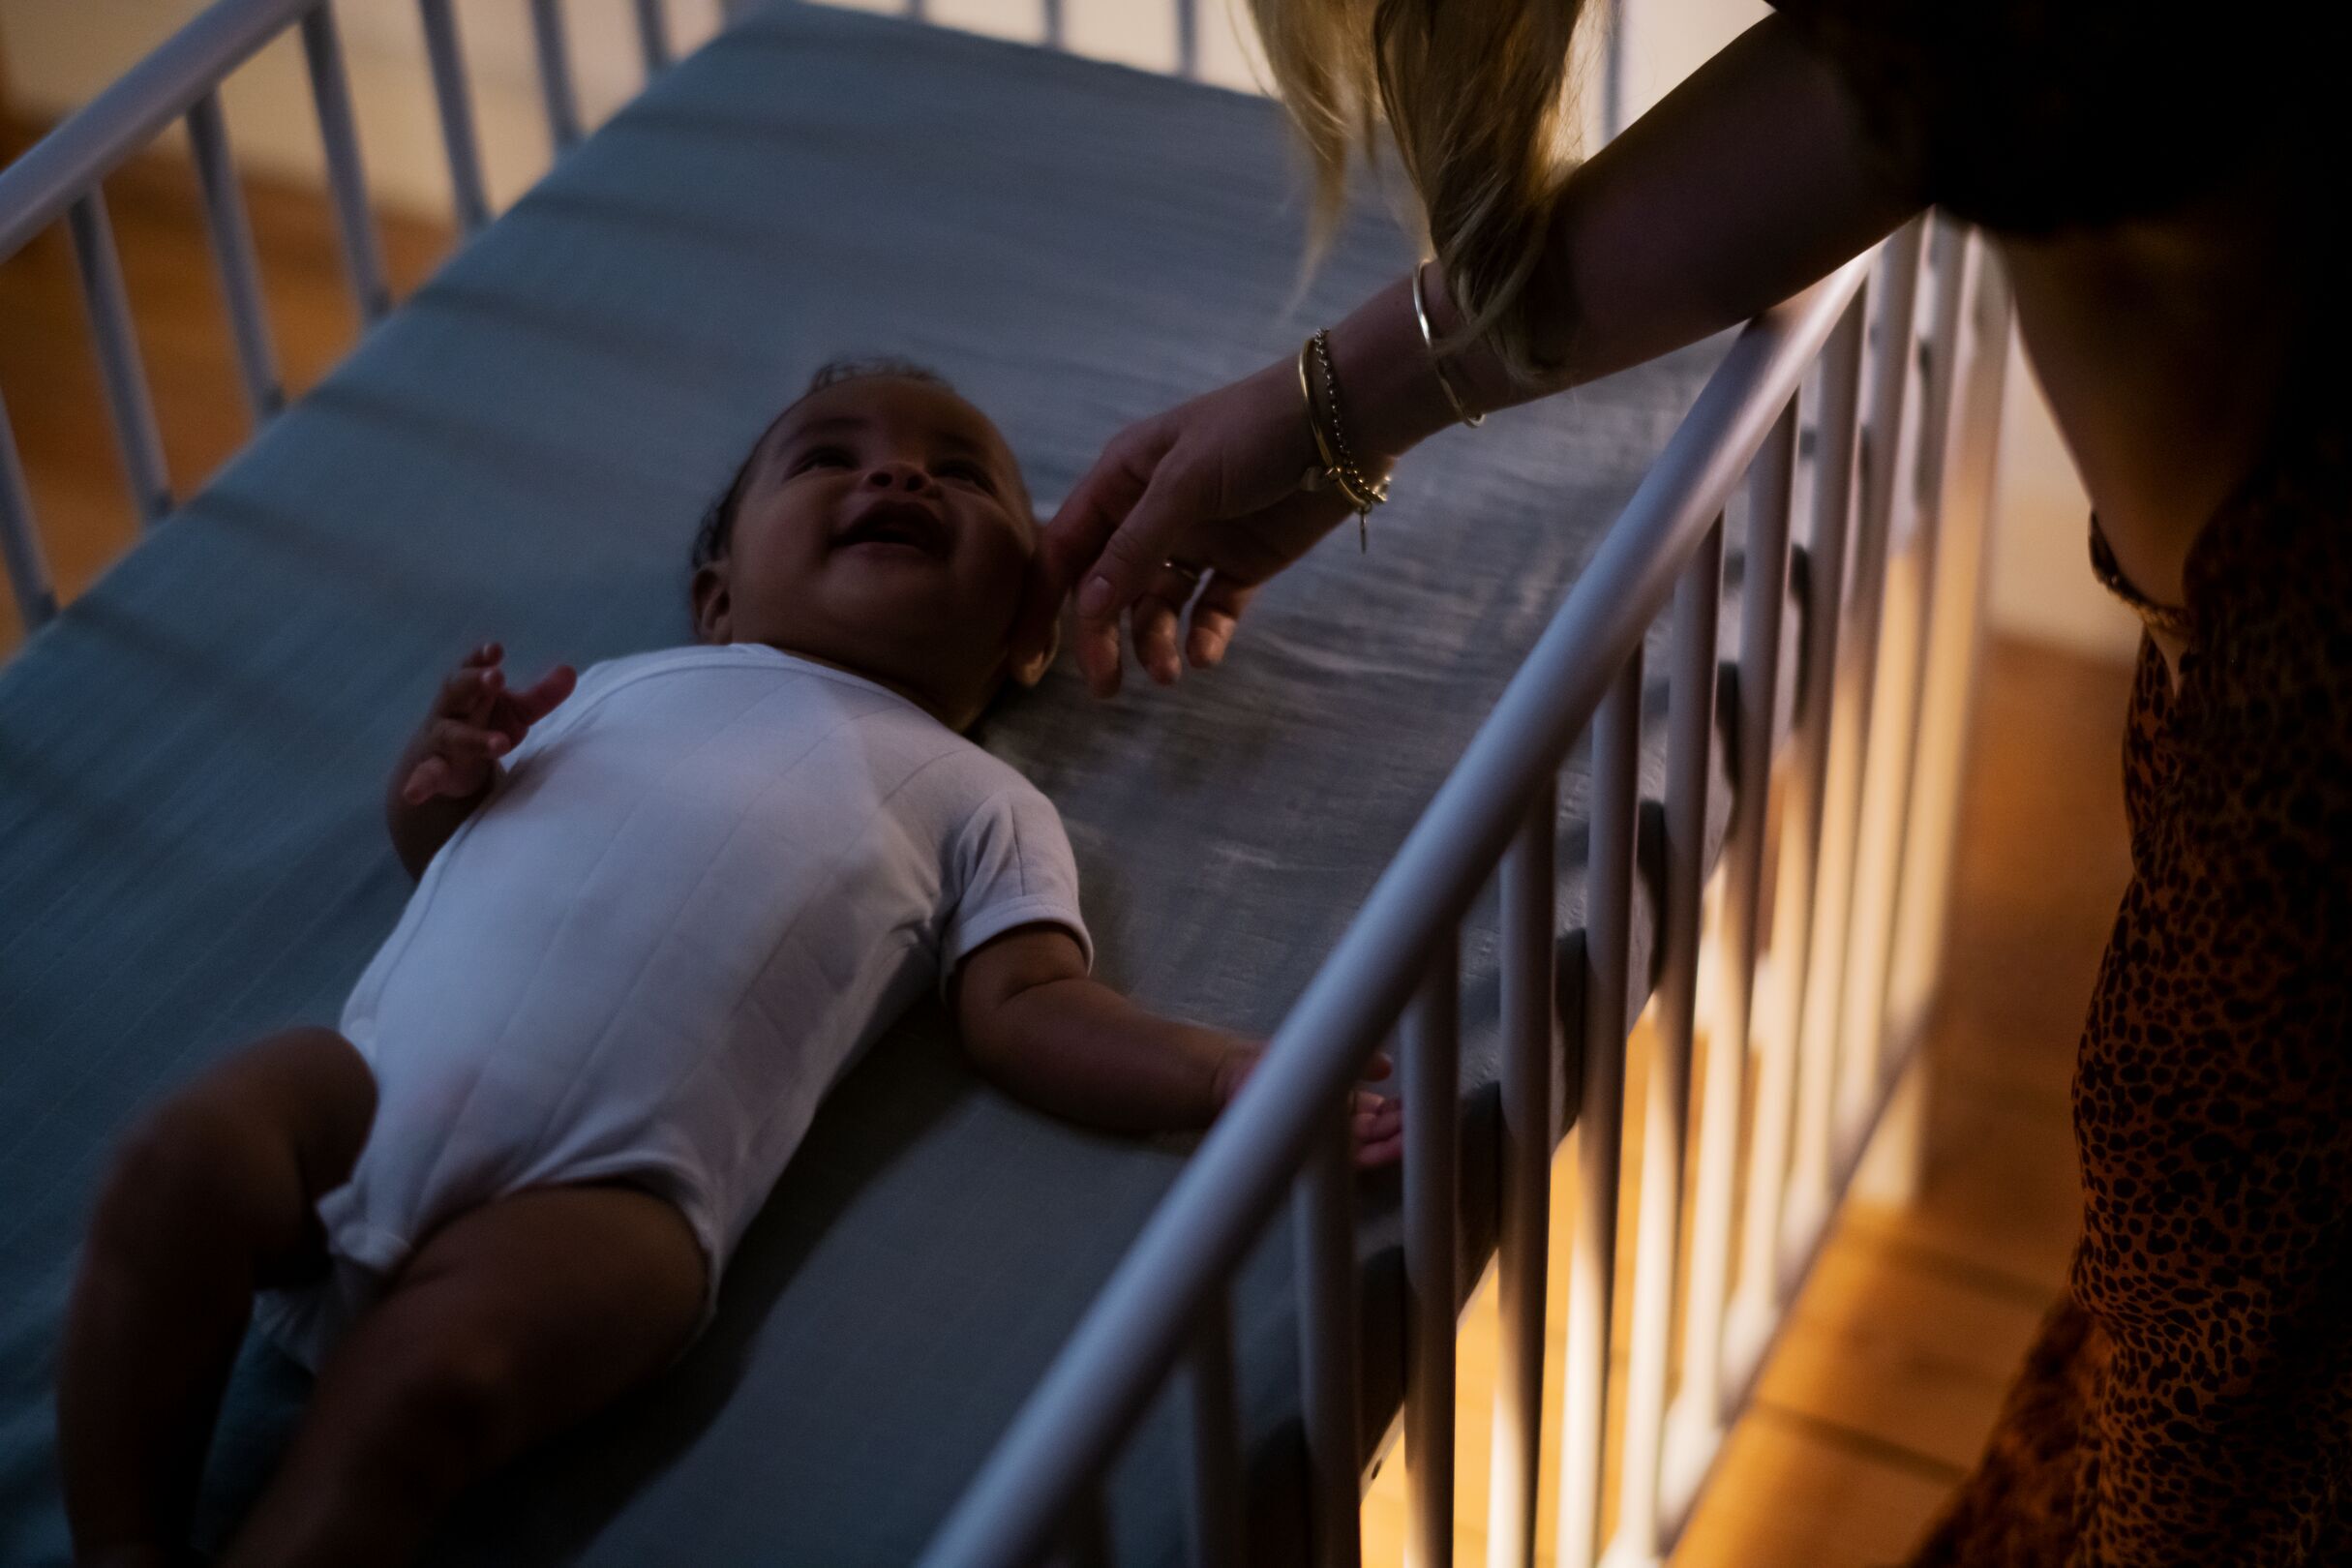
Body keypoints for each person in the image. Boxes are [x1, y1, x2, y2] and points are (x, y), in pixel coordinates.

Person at [1025, 3, 2351, 1562]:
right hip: (2238, 686)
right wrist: (1327, 415)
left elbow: (1885, 98)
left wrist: (1332, 413)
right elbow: (1868, 94)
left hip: (2290, 738)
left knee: (2225, 1382)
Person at [55, 360, 1404, 1568]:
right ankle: (122, 1537)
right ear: (716, 597)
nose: (897, 476)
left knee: (431, 1386)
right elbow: (449, 859)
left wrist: (1226, 1076)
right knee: (178, 1161)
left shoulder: (983, 801)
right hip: (368, 1094)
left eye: (958, 475)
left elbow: (1031, 1006)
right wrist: (441, 775)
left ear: (1027, 630)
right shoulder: (610, 687)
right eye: (830, 457)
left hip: (616, 1194)